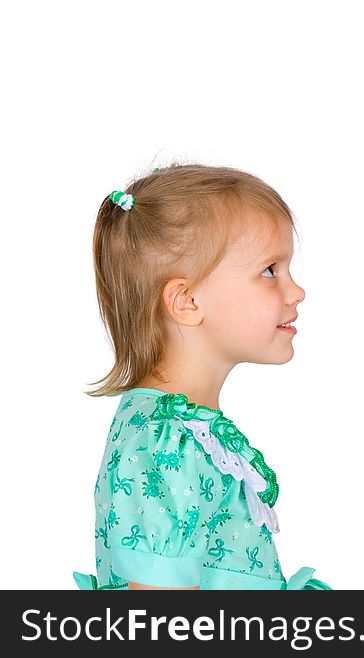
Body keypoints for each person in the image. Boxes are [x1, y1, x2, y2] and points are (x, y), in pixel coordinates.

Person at [71, 163, 331, 590]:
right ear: (187, 300)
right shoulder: (164, 442)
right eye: (269, 270)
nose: (296, 291)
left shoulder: (185, 431)